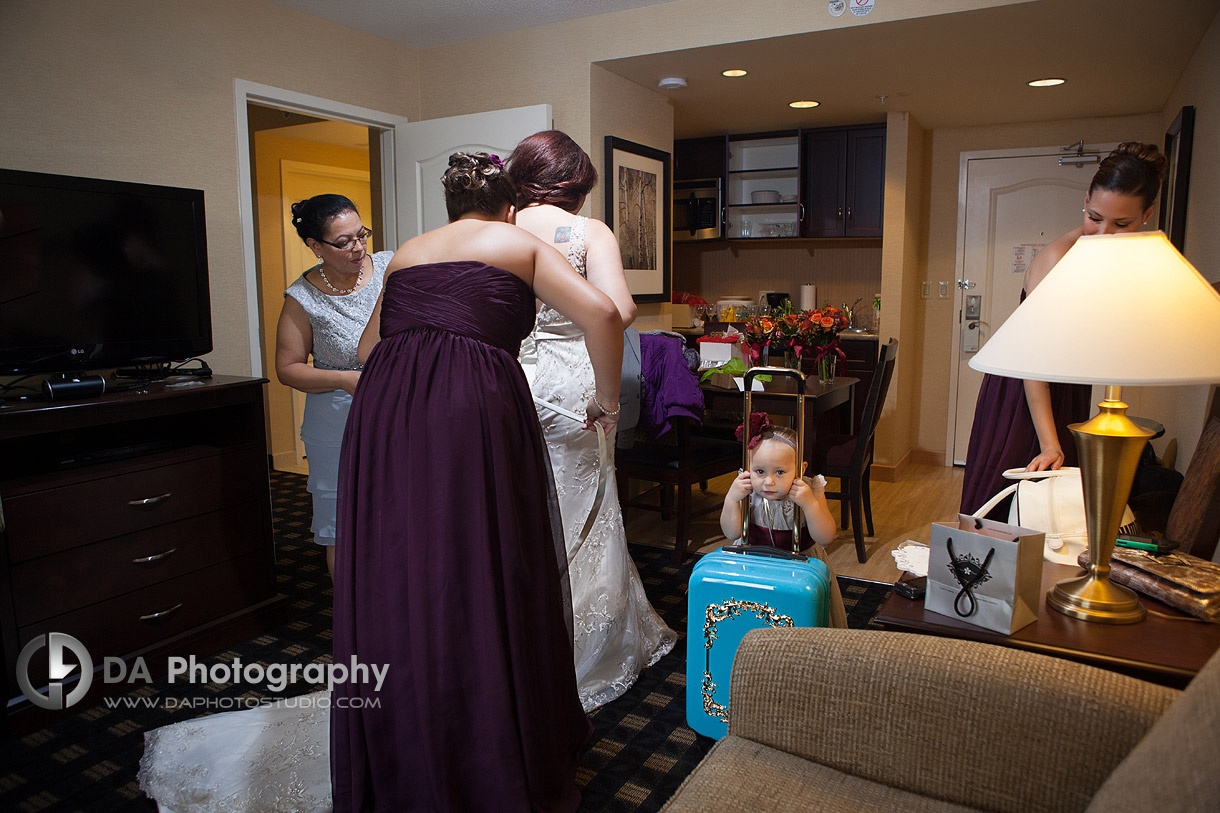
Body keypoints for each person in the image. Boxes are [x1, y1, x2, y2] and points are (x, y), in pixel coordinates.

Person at [331, 152, 624, 811]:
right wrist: (607, 404)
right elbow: (604, 315)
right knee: (483, 560)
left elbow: (367, 349)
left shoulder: (408, 251)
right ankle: (481, 737)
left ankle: (409, 729)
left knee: (404, 563)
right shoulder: (516, 241)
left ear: (450, 207)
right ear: (510, 206)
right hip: (470, 405)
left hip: (387, 411)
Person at [508, 129, 676, 711]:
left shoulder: (495, 229)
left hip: (507, 381)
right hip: (570, 383)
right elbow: (618, 310)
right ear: (575, 187)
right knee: (586, 501)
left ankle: (518, 634)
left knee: (519, 503)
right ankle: (587, 637)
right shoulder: (586, 233)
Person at [959, 142, 1168, 516]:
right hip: (1025, 393)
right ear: (1086, 199)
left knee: (1055, 513)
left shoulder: (1129, 259)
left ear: (1147, 215)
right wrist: (1050, 443)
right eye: (1095, 217)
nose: (1104, 233)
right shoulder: (1057, 258)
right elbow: (1032, 361)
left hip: (1066, 387)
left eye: (1122, 224)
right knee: (1015, 504)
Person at [275, 194, 391, 578]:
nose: (358, 248)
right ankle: (352, 629)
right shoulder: (302, 297)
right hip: (336, 417)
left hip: (397, 408)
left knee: (397, 513)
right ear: (315, 246)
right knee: (339, 525)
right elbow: (288, 368)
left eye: (362, 235)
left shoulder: (393, 267)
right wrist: (344, 380)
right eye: (344, 242)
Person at [719, 416, 847, 627]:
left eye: (779, 472)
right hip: (753, 564)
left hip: (800, 566)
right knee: (755, 616)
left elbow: (825, 537)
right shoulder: (748, 488)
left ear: (801, 469)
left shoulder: (810, 487)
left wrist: (810, 505)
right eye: (759, 471)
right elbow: (731, 532)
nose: (768, 481)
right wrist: (732, 499)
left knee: (798, 617)